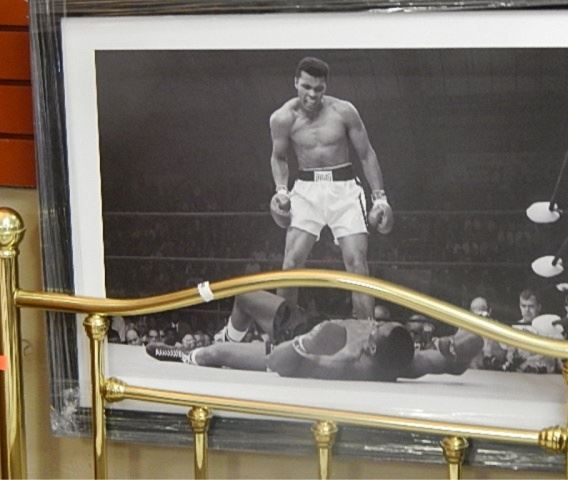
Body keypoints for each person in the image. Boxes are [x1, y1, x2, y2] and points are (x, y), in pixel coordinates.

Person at [269, 57, 393, 319]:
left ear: (325, 87)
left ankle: (364, 331)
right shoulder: (282, 118)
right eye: (306, 87)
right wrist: (281, 190)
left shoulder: (344, 111)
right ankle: (284, 333)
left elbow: (366, 154)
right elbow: (278, 157)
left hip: (344, 189)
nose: (312, 94)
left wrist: (380, 198)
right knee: (291, 263)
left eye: (319, 89)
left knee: (357, 264)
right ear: (296, 82)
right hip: (306, 190)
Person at [146, 291, 482, 381]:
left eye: (376, 330)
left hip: (297, 343)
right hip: (315, 325)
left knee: (216, 354)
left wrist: (307, 343)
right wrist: (460, 343)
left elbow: (278, 362)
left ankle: (189, 354)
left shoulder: (343, 363)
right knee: (245, 296)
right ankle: (227, 337)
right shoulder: (406, 359)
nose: (373, 325)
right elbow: (447, 363)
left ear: (370, 348)